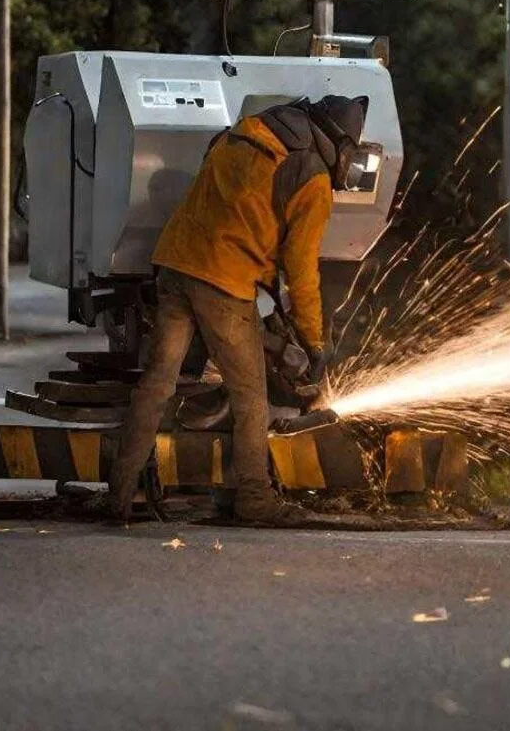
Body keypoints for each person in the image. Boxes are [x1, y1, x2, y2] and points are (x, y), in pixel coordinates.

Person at [105, 95, 369, 524]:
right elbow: (302, 271)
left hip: (174, 263)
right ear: (340, 145)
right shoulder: (312, 179)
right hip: (220, 280)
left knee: (157, 385)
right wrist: (314, 341)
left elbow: (242, 216)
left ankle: (117, 496)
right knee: (251, 399)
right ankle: (255, 499)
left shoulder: (251, 131)